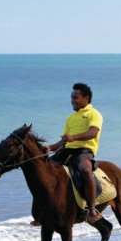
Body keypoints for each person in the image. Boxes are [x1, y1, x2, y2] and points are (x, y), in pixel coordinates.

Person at [46, 83, 104, 223]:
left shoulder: (94, 114)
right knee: (43, 170)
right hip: (67, 151)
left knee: (84, 170)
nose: (72, 100)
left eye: (76, 97)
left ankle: (91, 209)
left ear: (86, 98)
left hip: (84, 151)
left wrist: (74, 137)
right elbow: (63, 142)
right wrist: (49, 148)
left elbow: (93, 132)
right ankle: (45, 209)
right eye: (72, 97)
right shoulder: (70, 118)